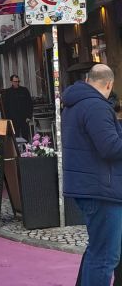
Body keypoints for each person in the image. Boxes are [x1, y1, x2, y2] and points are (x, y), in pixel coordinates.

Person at [63, 64, 122, 286]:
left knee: (97, 250)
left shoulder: (75, 103)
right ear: (109, 84)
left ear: (89, 80)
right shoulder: (96, 106)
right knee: (105, 257)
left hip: (91, 186)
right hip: (102, 189)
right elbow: (109, 147)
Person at [0, 74, 33, 140]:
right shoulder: (8, 92)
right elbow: (6, 107)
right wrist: (6, 119)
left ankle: (26, 149)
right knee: (15, 137)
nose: (17, 83)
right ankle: (17, 150)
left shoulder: (24, 90)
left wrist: (29, 116)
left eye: (18, 81)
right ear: (11, 82)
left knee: (25, 136)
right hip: (13, 118)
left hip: (24, 117)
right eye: (15, 81)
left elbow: (30, 103)